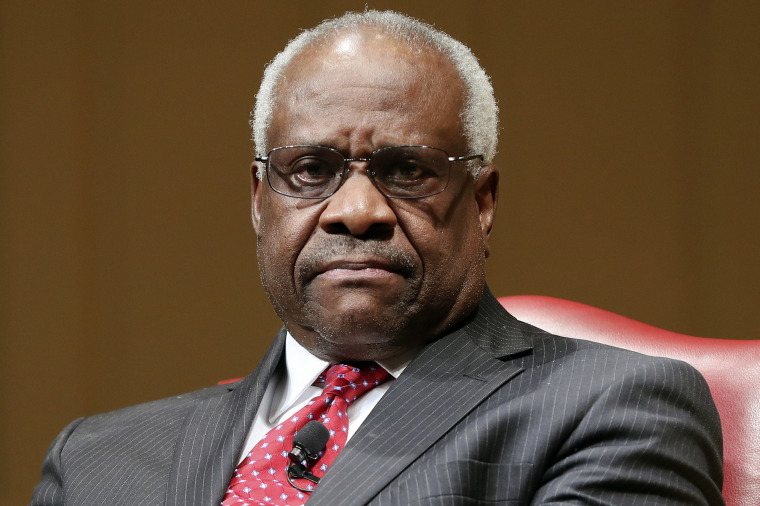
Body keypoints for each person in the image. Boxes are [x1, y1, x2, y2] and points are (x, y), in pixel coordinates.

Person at [31, 10, 724, 506]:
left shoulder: (613, 408)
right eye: (310, 169)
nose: (356, 210)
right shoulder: (96, 459)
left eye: (408, 170)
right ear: (259, 199)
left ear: (481, 201)